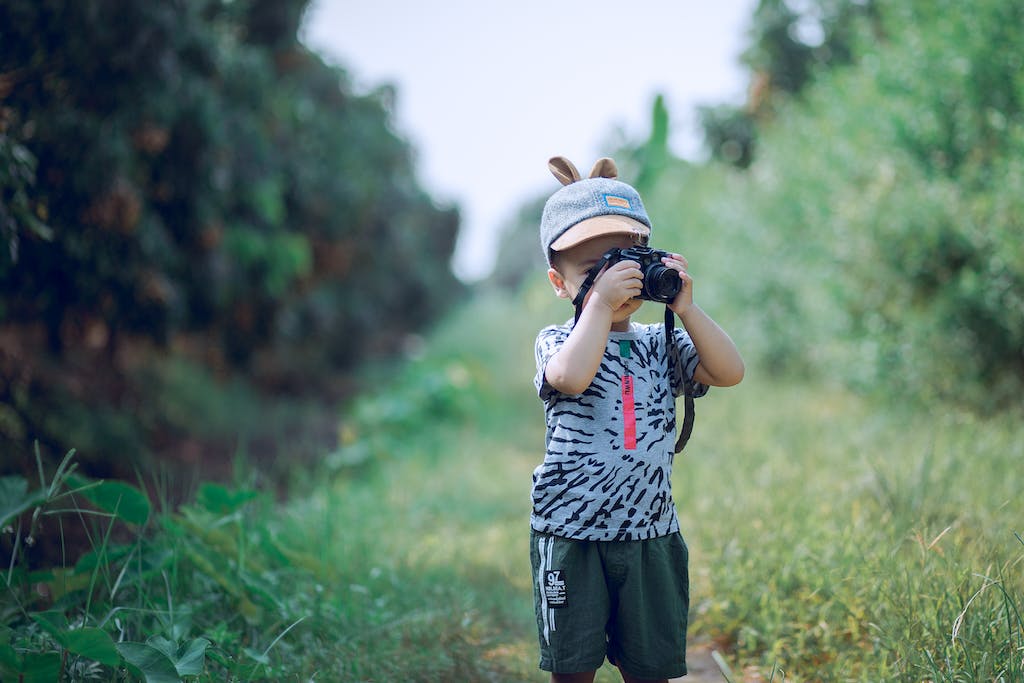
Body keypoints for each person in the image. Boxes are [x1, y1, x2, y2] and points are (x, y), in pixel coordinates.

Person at [531, 156, 744, 683]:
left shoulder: (660, 340)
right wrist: (599, 307)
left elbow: (729, 371)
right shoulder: (557, 341)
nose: (613, 283)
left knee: (651, 669)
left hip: (650, 531)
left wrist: (686, 307)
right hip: (570, 533)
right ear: (560, 283)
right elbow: (572, 378)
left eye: (623, 264)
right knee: (572, 669)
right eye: (593, 272)